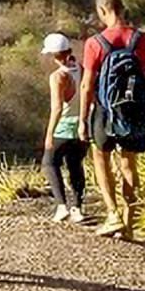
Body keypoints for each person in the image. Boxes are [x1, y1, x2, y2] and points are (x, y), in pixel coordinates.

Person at [78, 0, 145, 240]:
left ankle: (112, 214)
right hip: (135, 112)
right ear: (123, 9)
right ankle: (128, 223)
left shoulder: (95, 43)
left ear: (102, 11)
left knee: (100, 157)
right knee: (128, 164)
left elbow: (87, 85)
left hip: (105, 111)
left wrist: (83, 120)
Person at [39, 32, 89, 224]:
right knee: (75, 165)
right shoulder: (82, 69)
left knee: (49, 163)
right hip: (82, 125)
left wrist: (49, 134)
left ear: (54, 55)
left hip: (63, 127)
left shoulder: (58, 76)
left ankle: (61, 206)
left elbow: (57, 107)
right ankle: (77, 207)